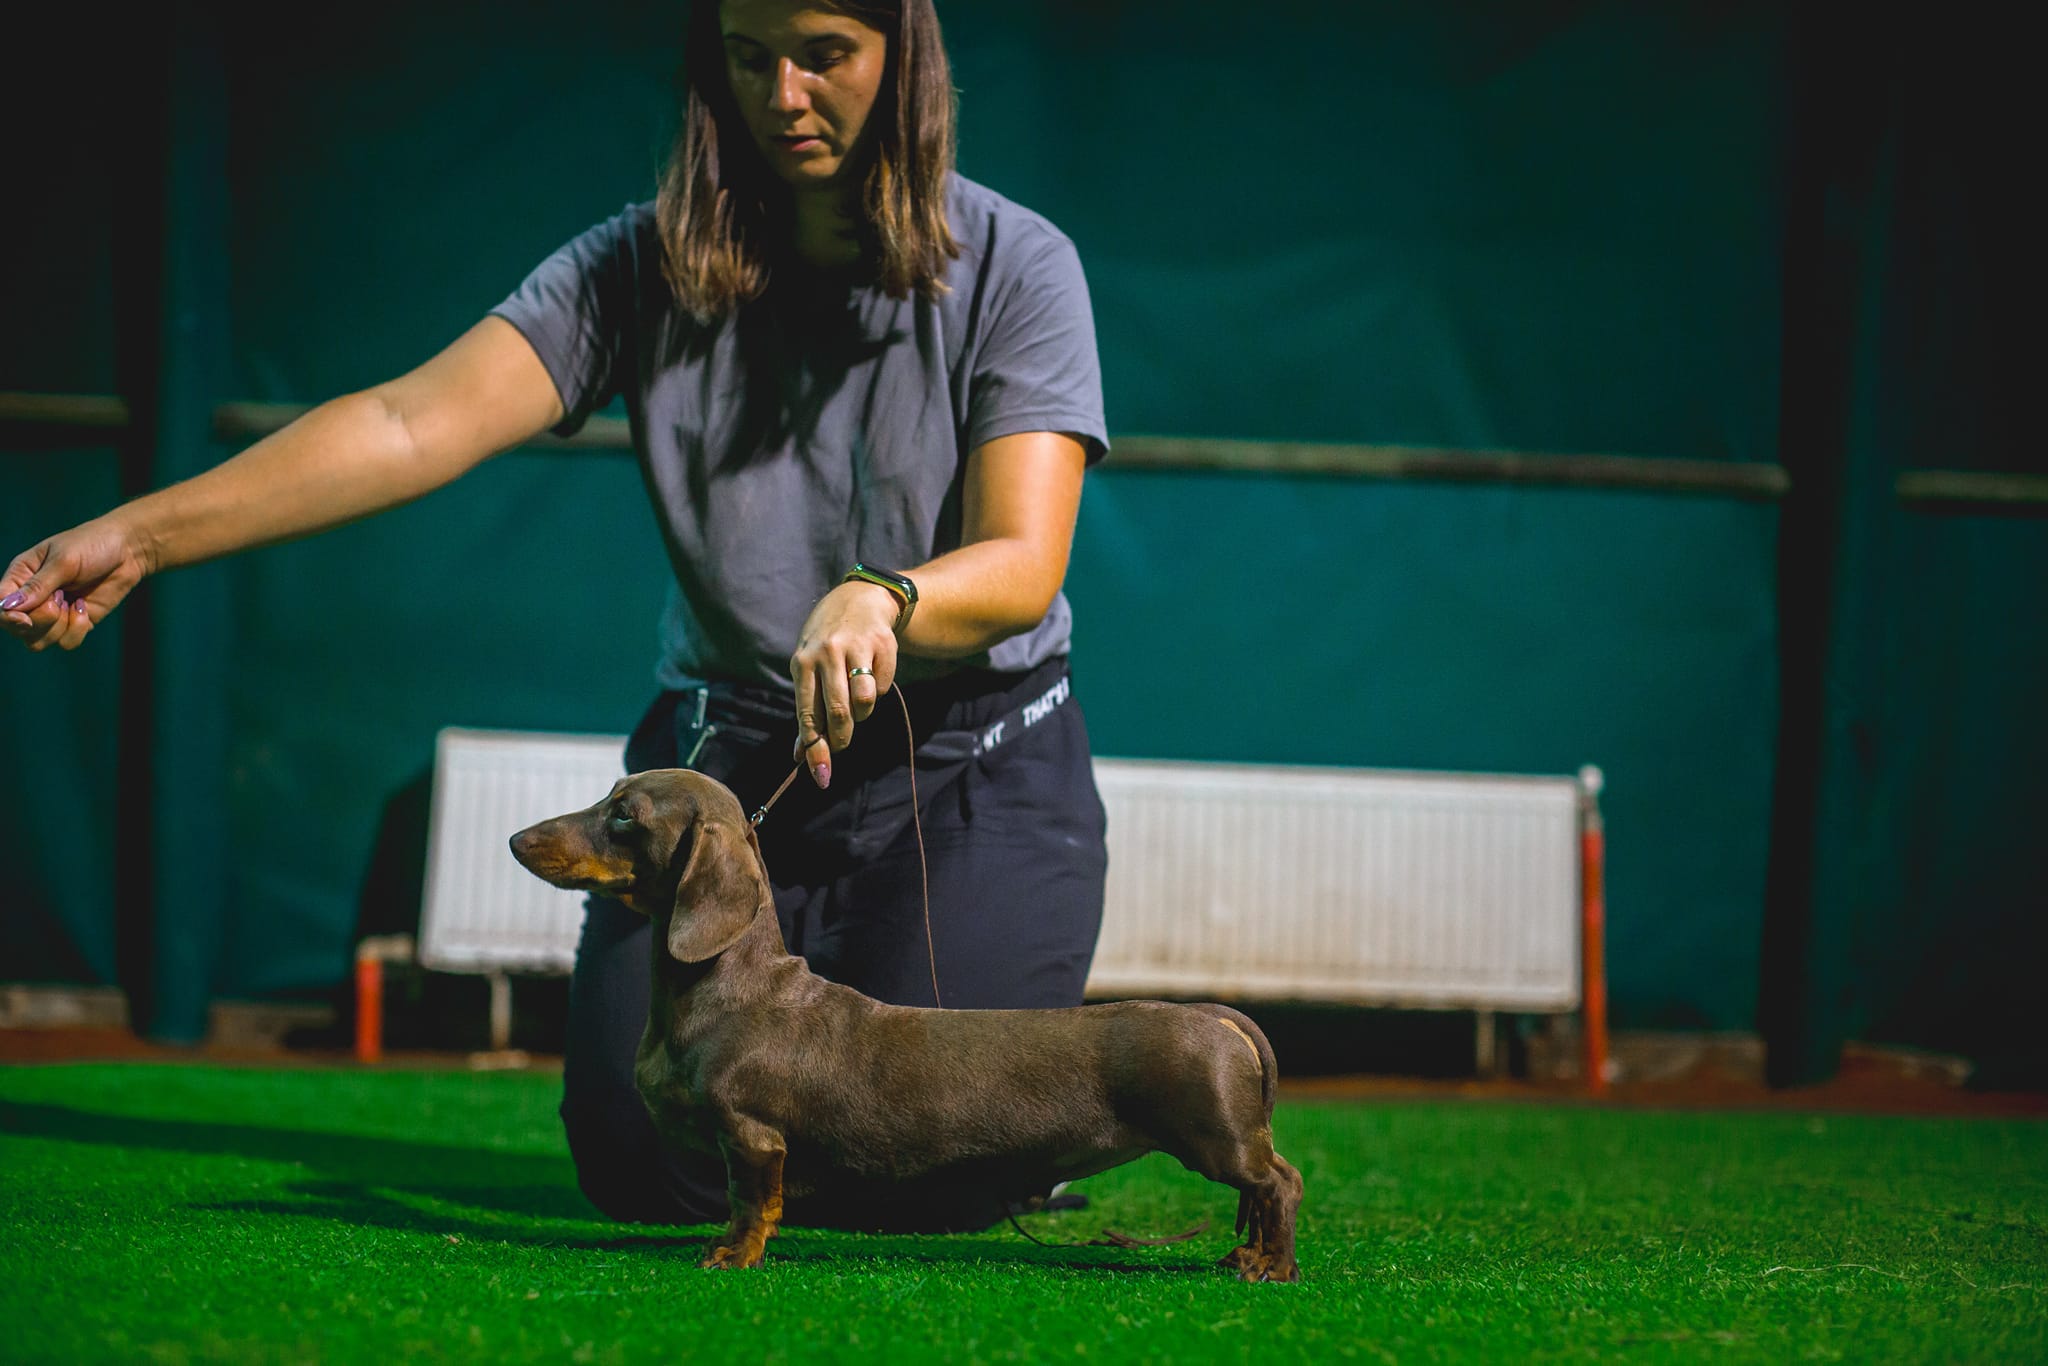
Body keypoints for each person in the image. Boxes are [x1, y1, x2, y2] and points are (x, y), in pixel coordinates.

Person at [2, 0, 1110, 1230]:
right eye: (747, 57)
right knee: (652, 1161)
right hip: (729, 771)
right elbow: (406, 422)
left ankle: (1009, 1155)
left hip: (966, 760)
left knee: (931, 1172)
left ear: (905, 58)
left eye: (823, 54)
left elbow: (1019, 560)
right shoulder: (639, 263)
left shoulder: (1021, 262)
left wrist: (885, 590)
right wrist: (140, 533)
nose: (782, 94)